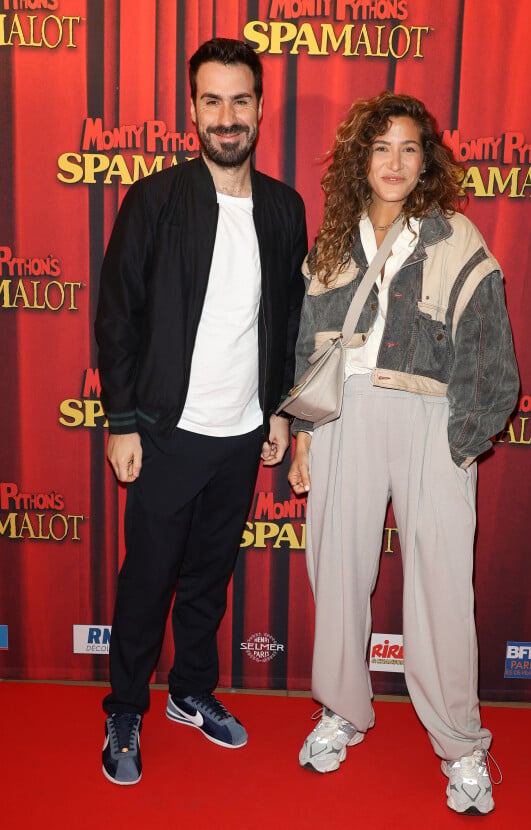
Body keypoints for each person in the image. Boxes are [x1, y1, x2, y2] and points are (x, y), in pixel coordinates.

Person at [288, 91, 519, 815]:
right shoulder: (331, 241)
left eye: (409, 147)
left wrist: (462, 440)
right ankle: (342, 711)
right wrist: (303, 435)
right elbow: (307, 349)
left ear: (427, 161)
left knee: (443, 588)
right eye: (381, 147)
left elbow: (491, 349)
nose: (394, 161)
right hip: (343, 422)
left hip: (430, 418)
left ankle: (461, 744)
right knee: (337, 568)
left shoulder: (457, 237)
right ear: (363, 157)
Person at [95, 37, 307, 786]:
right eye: (212, 101)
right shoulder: (154, 198)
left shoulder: (284, 206)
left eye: (240, 100)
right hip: (163, 431)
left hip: (242, 433)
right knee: (147, 576)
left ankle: (190, 692)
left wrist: (280, 411)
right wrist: (121, 420)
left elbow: (287, 319)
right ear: (192, 110)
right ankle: (125, 706)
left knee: (209, 578)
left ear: (259, 108)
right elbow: (117, 316)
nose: (227, 116)